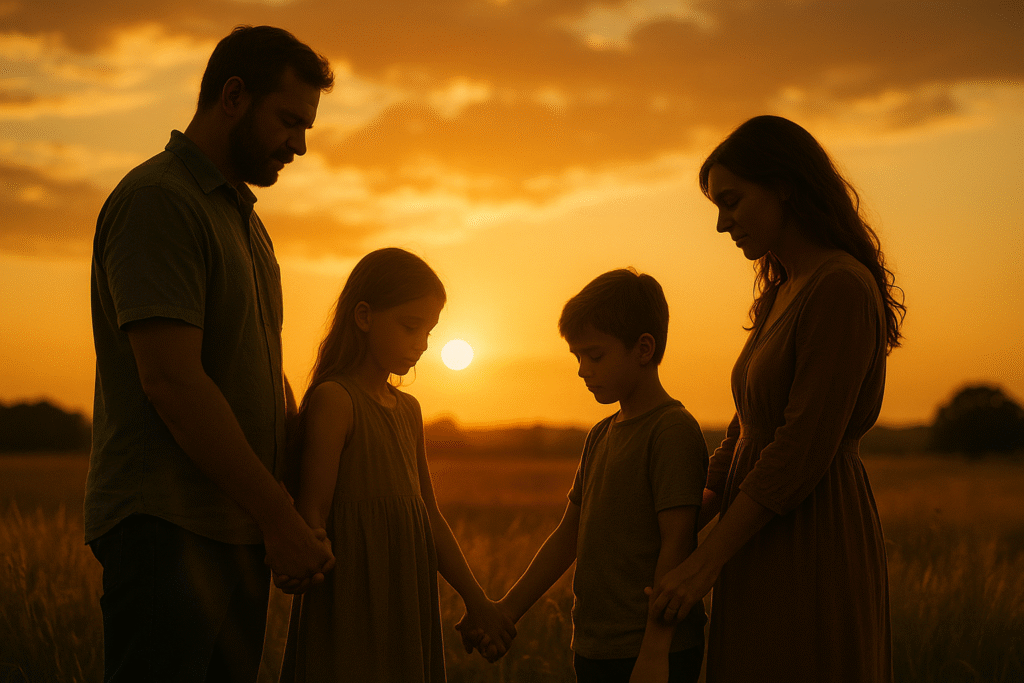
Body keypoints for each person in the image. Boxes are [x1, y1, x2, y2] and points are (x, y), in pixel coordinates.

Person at [87, 25, 336, 683]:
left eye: (306, 126)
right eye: (289, 120)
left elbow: (262, 371)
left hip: (237, 531)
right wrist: (280, 515)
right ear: (233, 96)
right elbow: (171, 380)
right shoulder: (159, 200)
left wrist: (296, 508)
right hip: (168, 531)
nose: (300, 145)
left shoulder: (247, 224)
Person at [648, 115, 904, 682]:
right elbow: (747, 425)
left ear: (785, 185)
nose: (722, 223)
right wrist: (695, 511)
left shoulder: (839, 285)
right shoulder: (781, 290)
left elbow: (803, 445)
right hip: (756, 534)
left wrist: (705, 563)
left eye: (732, 201)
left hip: (813, 534)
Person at [279, 247, 517, 682]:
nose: (422, 345)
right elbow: (312, 513)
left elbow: (428, 515)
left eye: (429, 332)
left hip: (406, 600)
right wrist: (302, 562)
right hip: (350, 603)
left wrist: (477, 600)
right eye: (410, 327)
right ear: (364, 316)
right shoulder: (336, 400)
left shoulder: (407, 410)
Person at [460, 269, 709, 683]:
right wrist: (506, 611)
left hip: (651, 653)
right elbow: (568, 536)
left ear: (643, 349)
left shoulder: (672, 431)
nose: (582, 370)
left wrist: (654, 652)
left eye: (595, 356)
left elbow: (676, 548)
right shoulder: (600, 434)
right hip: (595, 647)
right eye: (577, 357)